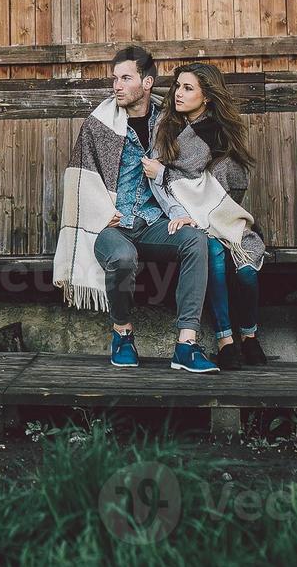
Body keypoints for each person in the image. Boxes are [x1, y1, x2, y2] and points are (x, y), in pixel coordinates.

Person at [51, 44, 220, 374]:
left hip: (153, 220)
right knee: (123, 257)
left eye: (125, 78)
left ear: (146, 83)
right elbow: (78, 180)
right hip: (110, 225)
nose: (116, 85)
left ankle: (186, 345)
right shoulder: (97, 126)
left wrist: (180, 211)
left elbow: (188, 173)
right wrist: (101, 211)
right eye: (114, 78)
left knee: (195, 241)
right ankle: (123, 334)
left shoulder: (168, 124)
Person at [151, 62, 268, 370]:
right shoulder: (169, 126)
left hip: (223, 216)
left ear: (207, 97)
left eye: (188, 88)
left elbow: (224, 179)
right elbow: (181, 177)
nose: (178, 93)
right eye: (177, 86)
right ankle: (226, 341)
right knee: (212, 251)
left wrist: (164, 173)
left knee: (244, 269)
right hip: (188, 219)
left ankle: (249, 336)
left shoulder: (212, 131)